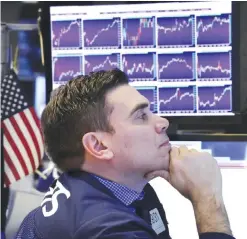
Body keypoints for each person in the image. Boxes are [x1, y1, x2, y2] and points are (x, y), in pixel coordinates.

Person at [15, 69, 234, 239]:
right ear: (99, 146)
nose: (163, 122)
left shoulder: (92, 189)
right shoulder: (107, 229)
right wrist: (208, 200)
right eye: (140, 116)